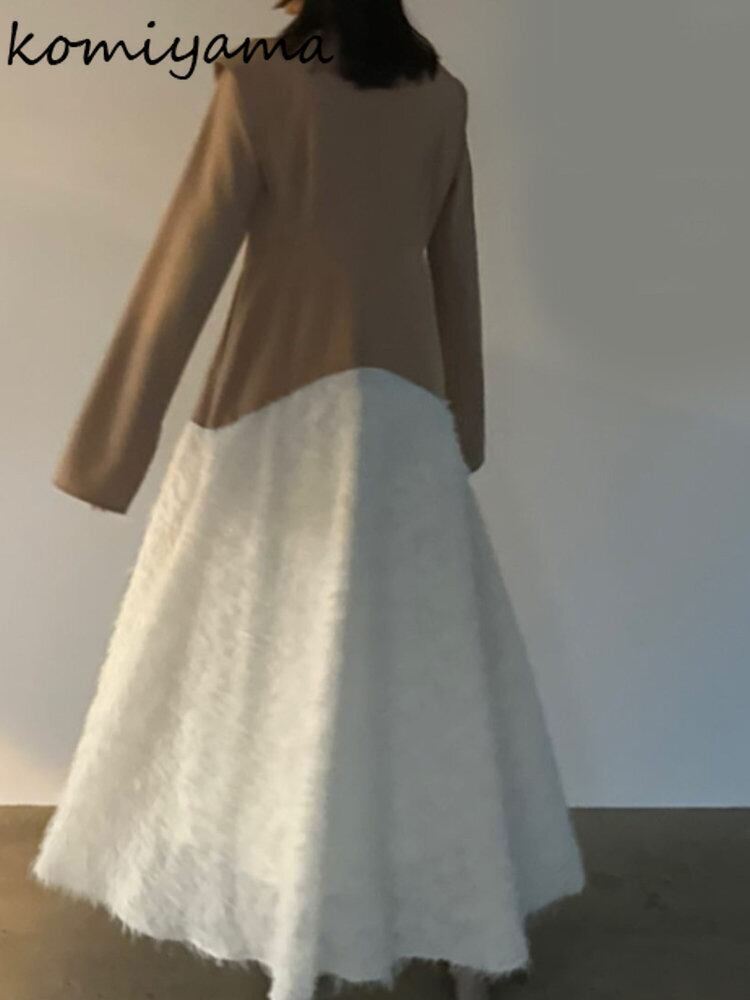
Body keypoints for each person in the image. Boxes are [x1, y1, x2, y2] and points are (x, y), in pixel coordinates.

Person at [30, 2, 586, 999]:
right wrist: (463, 429)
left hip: (274, 412)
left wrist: (108, 452)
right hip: (406, 418)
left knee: (276, 673)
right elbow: (454, 273)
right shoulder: (440, 99)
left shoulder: (258, 85)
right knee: (420, 675)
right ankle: (460, 924)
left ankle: (302, 922)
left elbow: (184, 268)